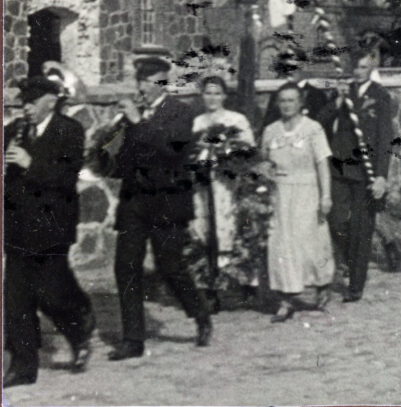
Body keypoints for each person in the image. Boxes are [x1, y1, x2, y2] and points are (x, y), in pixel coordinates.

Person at [105, 57, 211, 360]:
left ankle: (200, 314)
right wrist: (108, 147)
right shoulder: (133, 116)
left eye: (151, 82)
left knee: (170, 266)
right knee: (125, 266)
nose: (144, 87)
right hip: (134, 201)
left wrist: (139, 122)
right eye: (141, 81)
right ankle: (133, 339)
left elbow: (171, 152)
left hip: (167, 200)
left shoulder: (182, 112)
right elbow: (120, 158)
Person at [3, 78, 94, 386]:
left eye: (32, 101)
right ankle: (23, 366)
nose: (25, 107)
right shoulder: (13, 131)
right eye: (23, 101)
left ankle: (79, 330)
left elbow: (67, 177)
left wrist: (31, 163)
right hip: (17, 228)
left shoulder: (69, 131)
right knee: (16, 297)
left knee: (51, 294)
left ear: (51, 101)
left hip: (52, 227)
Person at [316, 52, 393, 303]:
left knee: (362, 227)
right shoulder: (343, 92)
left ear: (372, 68)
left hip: (365, 172)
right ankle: (350, 260)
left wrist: (381, 176)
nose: (358, 71)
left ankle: (356, 284)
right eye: (355, 67)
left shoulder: (380, 96)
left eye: (363, 67)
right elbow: (320, 122)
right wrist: (336, 102)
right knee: (337, 221)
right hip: (340, 168)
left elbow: (384, 139)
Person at [262, 83, 334, 321]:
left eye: (291, 100)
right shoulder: (271, 130)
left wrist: (325, 196)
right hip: (280, 195)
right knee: (281, 245)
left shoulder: (313, 129)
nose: (286, 105)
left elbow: (323, 164)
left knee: (309, 245)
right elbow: (263, 162)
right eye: (282, 100)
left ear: (300, 102)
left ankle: (322, 284)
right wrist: (265, 174)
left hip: (307, 192)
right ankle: (286, 299)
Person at [190, 75, 256, 310]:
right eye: (208, 93)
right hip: (203, 186)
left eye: (217, 93)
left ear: (225, 96)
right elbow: (189, 151)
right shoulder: (197, 122)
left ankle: (245, 283)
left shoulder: (236, 119)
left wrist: (227, 155)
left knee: (231, 230)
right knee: (205, 232)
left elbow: (248, 150)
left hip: (228, 185)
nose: (212, 97)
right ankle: (211, 289)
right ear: (202, 95)